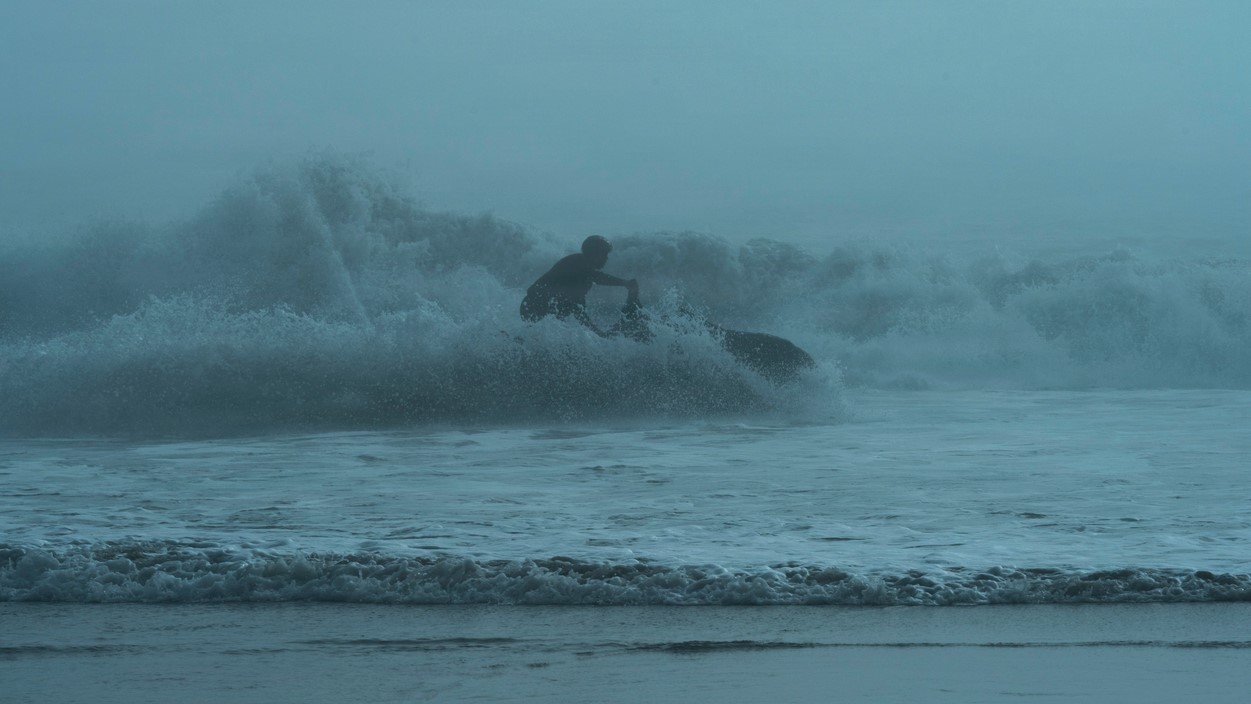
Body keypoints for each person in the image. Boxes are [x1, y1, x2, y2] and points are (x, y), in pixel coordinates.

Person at [520, 235, 638, 336]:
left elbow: (596, 278)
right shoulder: (575, 265)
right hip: (534, 307)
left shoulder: (583, 268)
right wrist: (598, 333)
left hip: (541, 307)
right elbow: (578, 308)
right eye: (604, 255)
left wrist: (624, 283)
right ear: (594, 254)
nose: (606, 259)